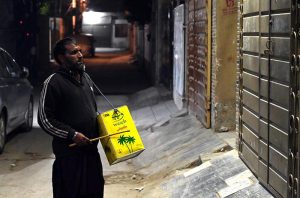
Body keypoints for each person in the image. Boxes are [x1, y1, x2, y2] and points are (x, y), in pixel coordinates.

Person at [38, 37, 104, 198]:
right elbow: (44, 119)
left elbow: (90, 111)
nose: (80, 55)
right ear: (61, 57)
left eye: (80, 51)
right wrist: (72, 135)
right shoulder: (53, 83)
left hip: (91, 155)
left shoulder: (86, 78)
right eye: (74, 52)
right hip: (69, 159)